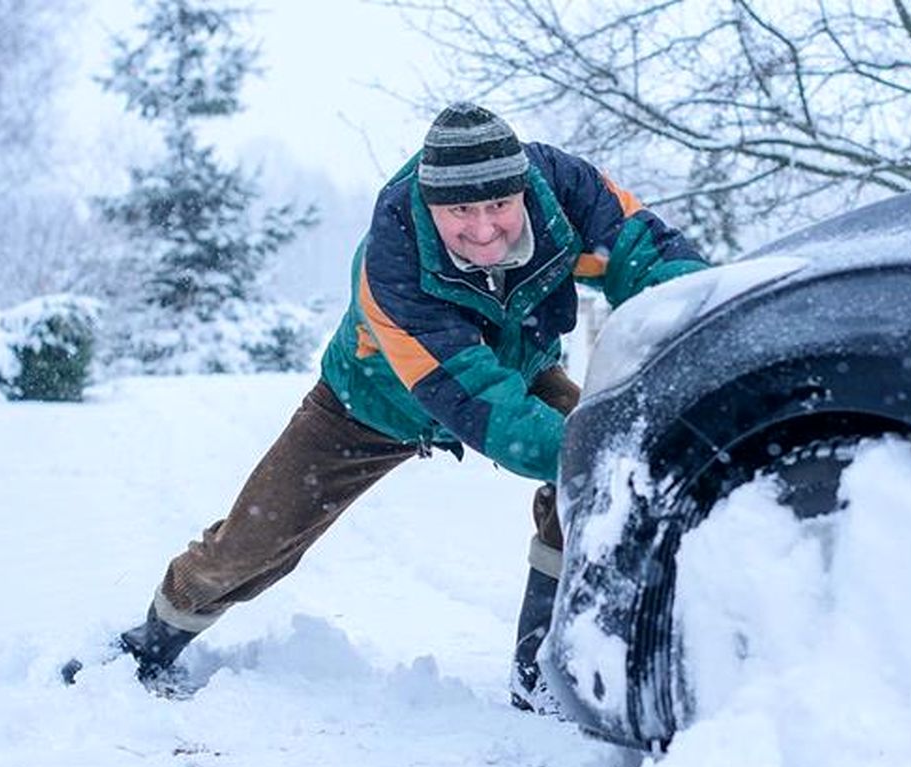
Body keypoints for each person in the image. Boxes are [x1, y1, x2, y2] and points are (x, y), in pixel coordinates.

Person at [117, 102, 710, 711]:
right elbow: (481, 401)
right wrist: (596, 453)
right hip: (369, 405)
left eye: (499, 206)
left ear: (524, 191)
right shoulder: (393, 258)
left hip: (520, 370)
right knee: (251, 544)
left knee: (593, 476)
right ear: (431, 205)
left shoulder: (566, 195)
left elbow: (658, 263)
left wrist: (716, 338)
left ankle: (538, 672)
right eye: (460, 211)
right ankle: (149, 645)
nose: (484, 229)